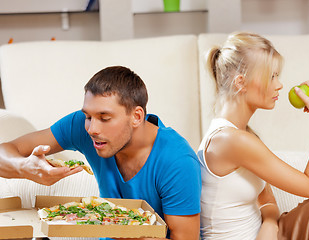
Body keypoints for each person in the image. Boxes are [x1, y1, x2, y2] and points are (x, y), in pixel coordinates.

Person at [0, 66, 201, 240]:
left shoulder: (177, 161)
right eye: (88, 116)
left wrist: (120, 226)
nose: (92, 129)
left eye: (105, 118)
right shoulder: (83, 127)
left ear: (137, 116)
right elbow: (5, 150)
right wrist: (24, 168)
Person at [197, 32, 309, 240]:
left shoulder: (243, 134)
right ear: (241, 83)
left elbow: (266, 197)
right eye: (271, 76)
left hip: (269, 234)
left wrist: (269, 224)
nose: (279, 84)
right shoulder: (231, 141)